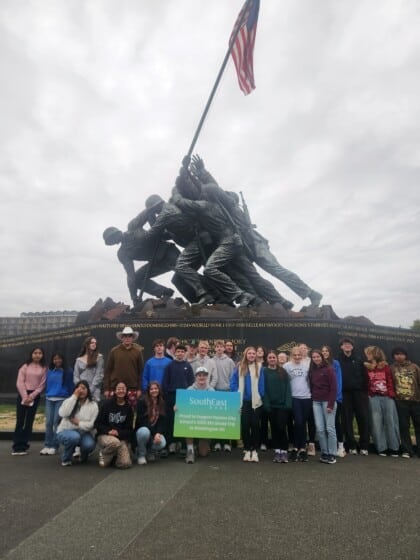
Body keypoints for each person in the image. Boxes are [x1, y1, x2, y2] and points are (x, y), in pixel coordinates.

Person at [102, 225, 175, 305]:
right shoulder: (122, 254)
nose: (114, 243)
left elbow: (150, 212)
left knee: (185, 273)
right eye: (111, 242)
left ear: (116, 233)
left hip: (169, 252)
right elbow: (131, 276)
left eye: (112, 240)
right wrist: (134, 296)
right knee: (136, 279)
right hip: (157, 262)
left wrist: (156, 227)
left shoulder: (134, 227)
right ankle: (164, 292)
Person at [230, 346, 264, 463]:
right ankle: (246, 449)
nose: (251, 355)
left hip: (255, 402)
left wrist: (260, 395)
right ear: (246, 354)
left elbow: (261, 383)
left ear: (255, 356)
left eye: (253, 354)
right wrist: (236, 394)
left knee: (255, 425)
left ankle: (254, 450)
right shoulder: (239, 367)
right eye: (249, 353)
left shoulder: (259, 367)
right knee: (244, 426)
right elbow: (233, 382)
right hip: (242, 402)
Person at [364, 346, 400, 457]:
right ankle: (381, 448)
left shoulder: (385, 366)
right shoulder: (366, 367)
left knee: (391, 421)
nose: (367, 355)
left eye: (369, 353)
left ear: (375, 354)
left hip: (387, 397)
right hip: (373, 397)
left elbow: (390, 381)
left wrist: (390, 394)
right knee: (376, 422)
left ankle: (394, 447)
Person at [12, 347, 47, 456]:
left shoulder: (44, 368)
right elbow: (19, 382)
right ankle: (17, 446)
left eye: (40, 353)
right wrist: (25, 396)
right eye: (35, 353)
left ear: (42, 355)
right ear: (31, 354)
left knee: (29, 421)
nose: (37, 355)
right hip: (23, 395)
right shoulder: (25, 366)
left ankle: (24, 445)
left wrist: (32, 396)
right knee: (20, 421)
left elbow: (42, 384)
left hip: (34, 396)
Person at [337, 337, 369, 455]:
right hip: (345, 394)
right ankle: (351, 446)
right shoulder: (338, 361)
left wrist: (364, 391)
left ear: (352, 346)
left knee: (363, 419)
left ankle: (364, 446)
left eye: (349, 344)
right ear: (341, 347)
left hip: (359, 394)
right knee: (346, 420)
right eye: (344, 344)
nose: (347, 346)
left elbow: (365, 377)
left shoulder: (359, 360)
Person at [161, 344, 194, 454]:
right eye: (178, 351)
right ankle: (171, 443)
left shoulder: (188, 366)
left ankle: (183, 445)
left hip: (184, 397)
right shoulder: (169, 366)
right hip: (171, 396)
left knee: (183, 421)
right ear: (175, 353)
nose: (180, 353)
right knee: (171, 420)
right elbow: (165, 382)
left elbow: (191, 383)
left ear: (185, 353)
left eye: (182, 352)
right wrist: (166, 395)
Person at [56, 380, 99, 466]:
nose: (81, 391)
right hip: (66, 431)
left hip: (83, 432)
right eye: (79, 388)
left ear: (88, 390)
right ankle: (66, 459)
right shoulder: (69, 400)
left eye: (84, 388)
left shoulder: (93, 405)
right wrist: (74, 397)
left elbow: (92, 425)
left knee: (89, 445)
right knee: (74, 437)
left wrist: (78, 423)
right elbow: (63, 413)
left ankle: (83, 457)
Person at [40, 353, 74, 456]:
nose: (57, 360)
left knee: (56, 423)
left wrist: (69, 398)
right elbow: (48, 384)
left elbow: (70, 385)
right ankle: (47, 445)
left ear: (62, 359)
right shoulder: (49, 370)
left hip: (61, 399)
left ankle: (54, 446)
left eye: (59, 358)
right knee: (48, 423)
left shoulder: (68, 371)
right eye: (55, 359)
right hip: (49, 399)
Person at [262, 350, 292, 463]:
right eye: (270, 357)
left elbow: (288, 388)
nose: (272, 359)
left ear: (277, 359)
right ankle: (277, 451)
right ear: (267, 359)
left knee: (281, 428)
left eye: (274, 357)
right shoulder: (264, 372)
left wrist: (288, 403)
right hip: (270, 406)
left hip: (283, 406)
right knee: (274, 429)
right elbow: (263, 389)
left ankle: (284, 451)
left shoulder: (283, 371)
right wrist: (267, 404)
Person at [95, 381, 133, 468]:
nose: (121, 391)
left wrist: (118, 433)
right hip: (105, 435)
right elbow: (97, 423)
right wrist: (109, 431)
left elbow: (129, 429)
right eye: (119, 388)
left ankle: (113, 456)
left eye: (123, 389)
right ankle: (103, 453)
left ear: (126, 391)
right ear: (115, 391)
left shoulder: (128, 408)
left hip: (120, 437)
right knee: (114, 443)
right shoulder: (106, 404)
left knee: (125, 464)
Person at [390, 347, 420, 458]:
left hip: (416, 401)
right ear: (394, 356)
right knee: (404, 426)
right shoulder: (391, 368)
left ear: (405, 355)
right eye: (397, 354)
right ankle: (407, 450)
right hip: (400, 402)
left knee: (418, 425)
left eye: (402, 354)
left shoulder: (414, 367)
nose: (399, 356)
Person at [309, 350, 337, 464]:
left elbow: (334, 388)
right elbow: (312, 386)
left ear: (322, 357)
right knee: (320, 429)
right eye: (314, 357)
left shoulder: (329, 369)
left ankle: (332, 453)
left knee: (330, 428)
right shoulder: (312, 371)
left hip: (327, 402)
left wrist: (330, 404)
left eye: (318, 356)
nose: (316, 359)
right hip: (316, 402)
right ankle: (324, 453)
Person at [283, 346, 311, 462]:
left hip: (307, 397)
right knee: (298, 422)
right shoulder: (286, 366)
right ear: (291, 355)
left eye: (299, 355)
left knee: (303, 423)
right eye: (294, 355)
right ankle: (295, 447)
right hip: (294, 398)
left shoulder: (307, 365)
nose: (297, 357)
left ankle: (302, 449)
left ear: (302, 355)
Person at [104, 326, 144, 407]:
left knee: (132, 413)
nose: (127, 338)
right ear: (122, 338)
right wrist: (106, 388)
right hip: (115, 388)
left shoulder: (138, 352)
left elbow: (141, 372)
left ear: (133, 338)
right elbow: (108, 370)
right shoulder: (114, 351)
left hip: (132, 388)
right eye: (125, 336)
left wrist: (139, 389)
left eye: (129, 336)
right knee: (113, 411)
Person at [184, 366, 215, 464]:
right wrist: (177, 407)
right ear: (195, 377)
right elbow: (182, 405)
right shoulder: (189, 390)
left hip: (205, 423)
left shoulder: (211, 391)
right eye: (199, 375)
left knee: (203, 453)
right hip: (193, 420)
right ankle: (190, 450)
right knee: (187, 422)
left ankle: (200, 445)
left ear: (207, 377)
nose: (201, 377)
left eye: (204, 375)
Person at [210, 340, 236, 452]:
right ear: (214, 348)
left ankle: (226, 443)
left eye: (221, 347)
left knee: (226, 419)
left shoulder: (230, 361)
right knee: (216, 419)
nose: (219, 349)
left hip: (227, 392)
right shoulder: (211, 361)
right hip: (215, 391)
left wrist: (231, 390)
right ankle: (216, 442)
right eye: (217, 347)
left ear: (224, 348)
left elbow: (233, 376)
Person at [321, 345, 345, 457]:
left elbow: (338, 381)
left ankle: (341, 446)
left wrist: (336, 397)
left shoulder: (335, 363)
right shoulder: (319, 364)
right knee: (326, 424)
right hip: (323, 399)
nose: (325, 353)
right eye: (323, 351)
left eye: (327, 351)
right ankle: (330, 447)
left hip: (335, 398)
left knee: (335, 423)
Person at [135, 382, 167, 465]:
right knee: (144, 432)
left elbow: (163, 421)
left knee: (162, 443)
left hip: (155, 432)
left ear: (159, 390)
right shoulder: (142, 402)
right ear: (148, 391)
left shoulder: (162, 402)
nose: (154, 391)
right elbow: (142, 421)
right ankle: (141, 454)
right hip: (143, 430)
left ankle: (150, 451)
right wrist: (155, 433)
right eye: (151, 389)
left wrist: (158, 433)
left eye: (156, 388)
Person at [73, 336, 104, 403]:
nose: (94, 344)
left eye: (95, 343)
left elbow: (99, 375)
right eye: (92, 342)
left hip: (94, 391)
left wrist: (90, 389)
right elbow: (75, 376)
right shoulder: (78, 360)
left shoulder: (99, 357)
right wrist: (80, 388)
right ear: (87, 344)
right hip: (81, 390)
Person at [256, 345, 269, 451]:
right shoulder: (252, 363)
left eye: (261, 350)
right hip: (254, 396)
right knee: (255, 421)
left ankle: (263, 442)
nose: (259, 352)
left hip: (265, 395)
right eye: (257, 351)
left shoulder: (268, 364)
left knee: (264, 420)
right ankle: (255, 441)